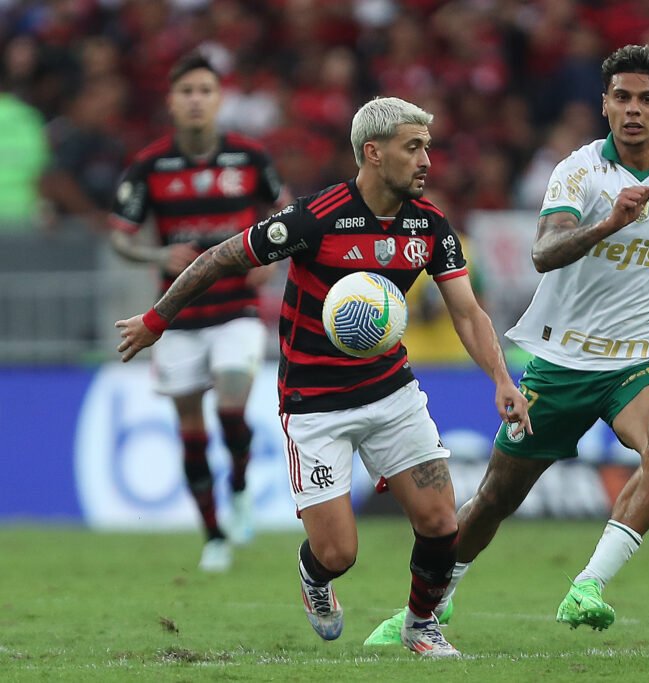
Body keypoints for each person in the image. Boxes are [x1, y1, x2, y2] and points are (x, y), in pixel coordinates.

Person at [365, 44, 649, 644]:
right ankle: (428, 607)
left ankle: (588, 586)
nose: (633, 110)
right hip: (560, 363)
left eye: (647, 100)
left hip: (640, 363)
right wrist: (608, 224)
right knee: (495, 499)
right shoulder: (578, 171)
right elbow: (543, 252)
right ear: (604, 104)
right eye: (623, 97)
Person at [115, 96, 531, 657]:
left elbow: (467, 311)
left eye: (427, 147)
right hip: (315, 404)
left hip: (391, 392)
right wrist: (156, 320)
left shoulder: (429, 225)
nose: (427, 160)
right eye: (414, 148)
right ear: (373, 153)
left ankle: (420, 625)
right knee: (338, 554)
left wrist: (502, 379)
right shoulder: (315, 217)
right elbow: (220, 258)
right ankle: (315, 578)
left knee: (439, 521)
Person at [108, 52, 292, 572]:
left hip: (235, 308)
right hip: (177, 317)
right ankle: (213, 535)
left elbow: (288, 214)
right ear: (171, 100)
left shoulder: (250, 159)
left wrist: (271, 259)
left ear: (218, 99)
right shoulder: (149, 166)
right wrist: (156, 254)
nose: (195, 99)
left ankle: (238, 488)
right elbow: (120, 237)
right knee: (191, 429)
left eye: (205, 90)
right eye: (186, 90)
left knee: (231, 407)